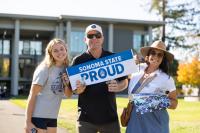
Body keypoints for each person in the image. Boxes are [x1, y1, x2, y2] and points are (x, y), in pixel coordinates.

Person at [71, 24, 128, 133]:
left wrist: (118, 86)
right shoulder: (78, 60)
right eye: (90, 36)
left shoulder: (113, 58)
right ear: (85, 39)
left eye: (97, 35)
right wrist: (78, 90)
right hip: (85, 120)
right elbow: (73, 89)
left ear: (102, 38)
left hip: (110, 118)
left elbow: (125, 81)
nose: (94, 38)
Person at [126, 40, 178, 133]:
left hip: (155, 121)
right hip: (134, 119)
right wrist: (130, 63)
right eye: (153, 53)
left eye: (159, 55)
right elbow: (120, 77)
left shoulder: (166, 79)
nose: (155, 56)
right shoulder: (137, 68)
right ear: (148, 55)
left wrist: (154, 101)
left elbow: (174, 103)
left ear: (163, 58)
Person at [24, 38, 72, 133]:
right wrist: (28, 122)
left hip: (52, 117)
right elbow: (32, 95)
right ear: (50, 53)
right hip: (37, 116)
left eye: (62, 49)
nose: (60, 52)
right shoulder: (44, 69)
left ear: (66, 50)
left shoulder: (66, 69)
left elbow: (68, 95)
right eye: (55, 50)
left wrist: (67, 84)